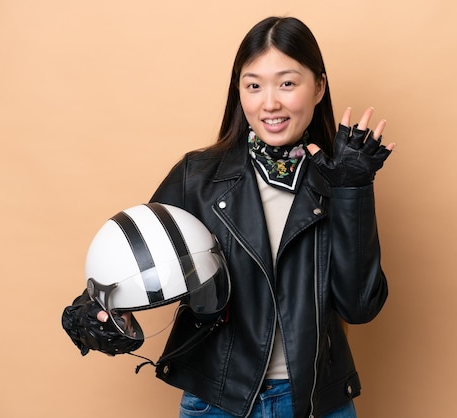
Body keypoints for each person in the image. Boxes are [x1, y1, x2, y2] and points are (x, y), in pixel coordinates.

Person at [67, 16, 394, 418]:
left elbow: (358, 306)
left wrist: (353, 190)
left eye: (287, 83)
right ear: (238, 90)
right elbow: (138, 263)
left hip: (316, 403)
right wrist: (94, 310)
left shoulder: (340, 178)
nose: (269, 102)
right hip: (218, 402)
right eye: (253, 85)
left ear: (319, 87)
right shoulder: (199, 177)